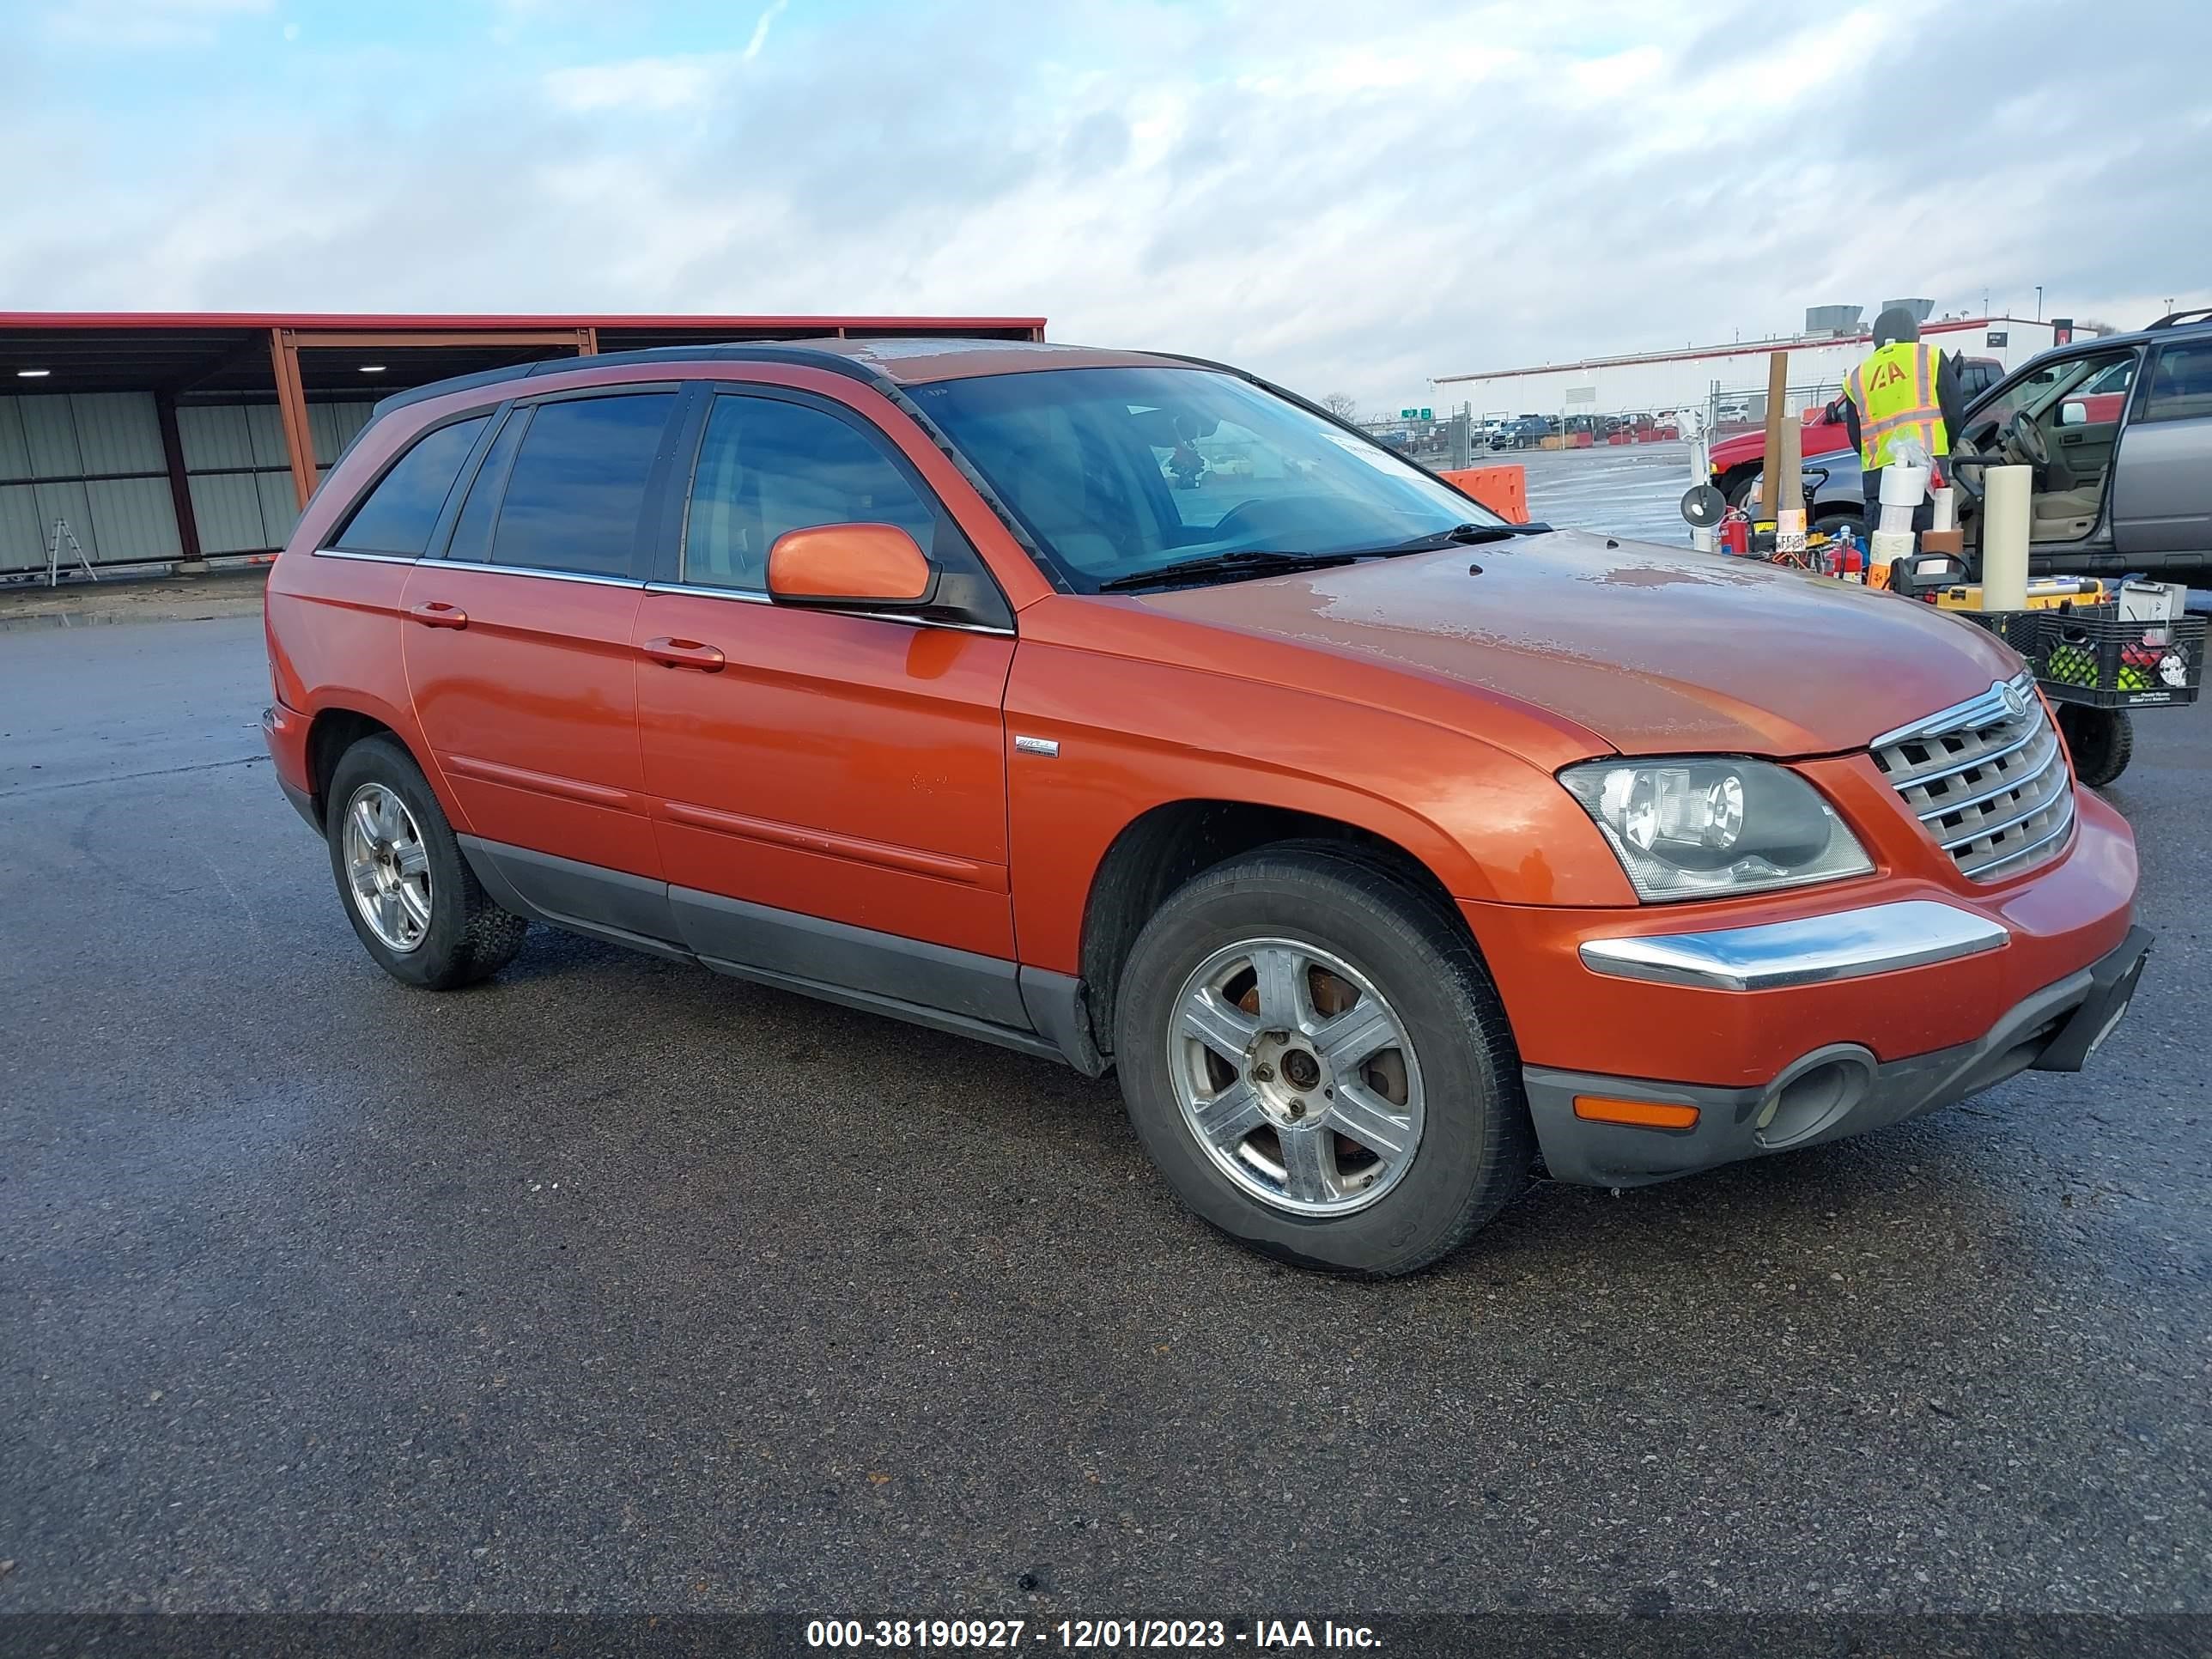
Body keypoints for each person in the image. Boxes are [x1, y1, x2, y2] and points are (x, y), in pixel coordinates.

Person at [1843, 306, 1966, 532]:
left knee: (1886, 553)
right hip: (1928, 471)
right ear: (1914, 334)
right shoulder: (1929, 356)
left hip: (1878, 479)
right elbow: (1955, 412)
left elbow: (1855, 435)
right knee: (1930, 554)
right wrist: (1946, 448)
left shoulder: (1858, 376)